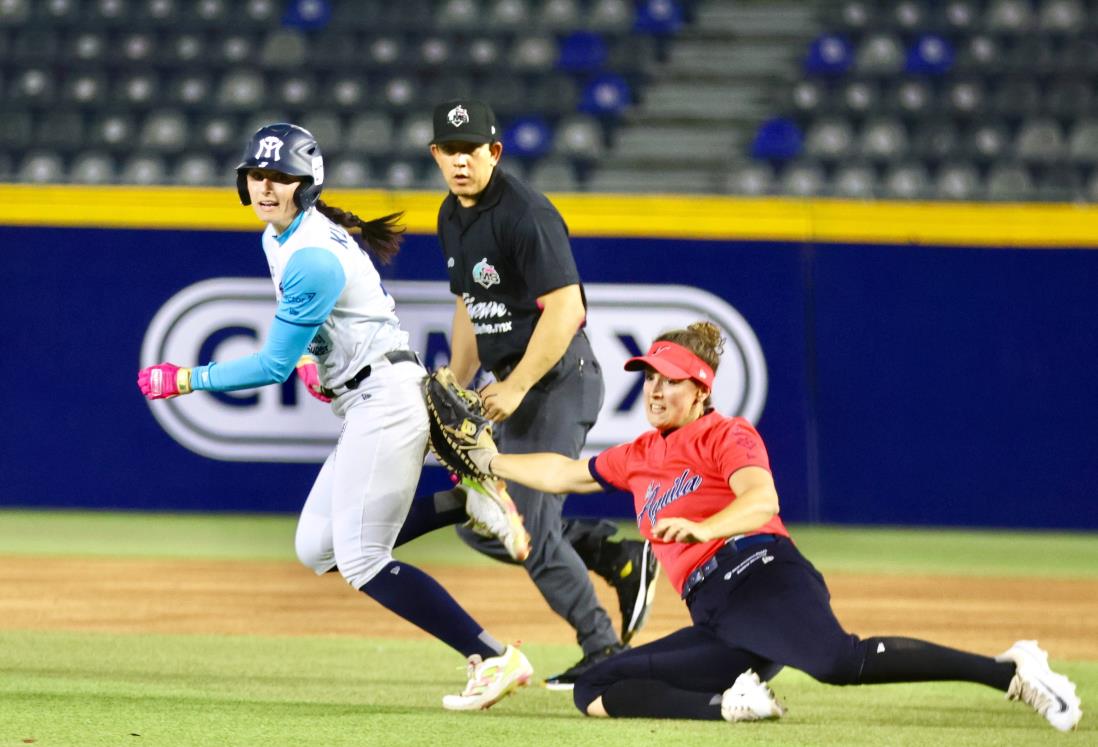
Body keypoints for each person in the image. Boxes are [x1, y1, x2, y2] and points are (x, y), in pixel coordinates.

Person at [483, 321, 1083, 731]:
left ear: (701, 388)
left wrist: (703, 528)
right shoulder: (639, 453)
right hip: (717, 616)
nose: (656, 389)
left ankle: (1010, 670)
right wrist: (487, 460)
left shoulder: (727, 433)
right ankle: (732, 704)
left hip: (761, 576)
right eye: (650, 378)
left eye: (669, 379)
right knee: (596, 688)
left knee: (837, 663)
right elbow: (564, 474)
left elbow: (761, 497)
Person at [137, 122, 534, 711]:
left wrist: (189, 378)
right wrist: (321, 361)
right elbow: (328, 330)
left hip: (386, 399)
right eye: (258, 174)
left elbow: (272, 365)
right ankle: (461, 502)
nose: (267, 185)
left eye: (282, 177)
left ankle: (492, 656)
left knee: (363, 559)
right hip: (369, 392)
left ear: (306, 184)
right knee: (316, 548)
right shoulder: (284, 236)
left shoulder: (310, 255)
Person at [427, 98, 660, 689]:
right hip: (511, 386)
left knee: (525, 524)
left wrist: (516, 384)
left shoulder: (526, 213)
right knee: (480, 521)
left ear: (494, 152)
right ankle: (614, 556)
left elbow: (567, 309)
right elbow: (469, 304)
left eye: (471, 150)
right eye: (449, 151)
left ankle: (603, 649)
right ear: (436, 155)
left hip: (558, 381)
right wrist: (458, 378)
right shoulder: (450, 216)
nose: (460, 161)